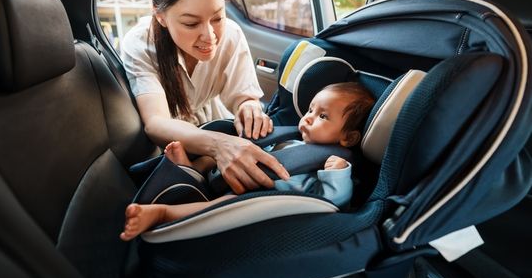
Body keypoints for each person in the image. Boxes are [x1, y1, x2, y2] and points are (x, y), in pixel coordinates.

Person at [120, 0, 289, 194]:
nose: (210, 36)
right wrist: (219, 146)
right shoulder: (139, 45)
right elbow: (156, 122)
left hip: (216, 123)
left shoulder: (231, 34)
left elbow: (243, 96)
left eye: (217, 17)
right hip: (174, 137)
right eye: (191, 23)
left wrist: (249, 108)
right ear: (160, 16)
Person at [120, 82, 375, 241]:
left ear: (348, 137)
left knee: (225, 204)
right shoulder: (296, 139)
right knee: (212, 156)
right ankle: (192, 170)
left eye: (322, 116)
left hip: (258, 198)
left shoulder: (336, 164)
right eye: (310, 109)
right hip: (239, 173)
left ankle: (165, 213)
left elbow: (334, 201)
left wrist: (338, 174)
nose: (307, 118)